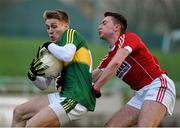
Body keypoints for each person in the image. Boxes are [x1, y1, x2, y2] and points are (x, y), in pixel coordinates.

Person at [11, 9, 96, 127]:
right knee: (19, 112)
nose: (50, 31)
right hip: (64, 96)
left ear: (66, 25)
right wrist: (33, 75)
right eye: (48, 27)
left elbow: (67, 55)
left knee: (32, 126)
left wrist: (48, 45)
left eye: (54, 26)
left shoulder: (70, 34)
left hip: (77, 98)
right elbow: (43, 85)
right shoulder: (56, 50)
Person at [92, 11, 176, 127]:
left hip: (158, 85)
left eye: (104, 23)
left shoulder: (129, 37)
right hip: (140, 94)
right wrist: (70, 76)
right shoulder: (109, 57)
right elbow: (92, 76)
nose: (99, 26)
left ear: (116, 27)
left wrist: (97, 87)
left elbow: (116, 63)